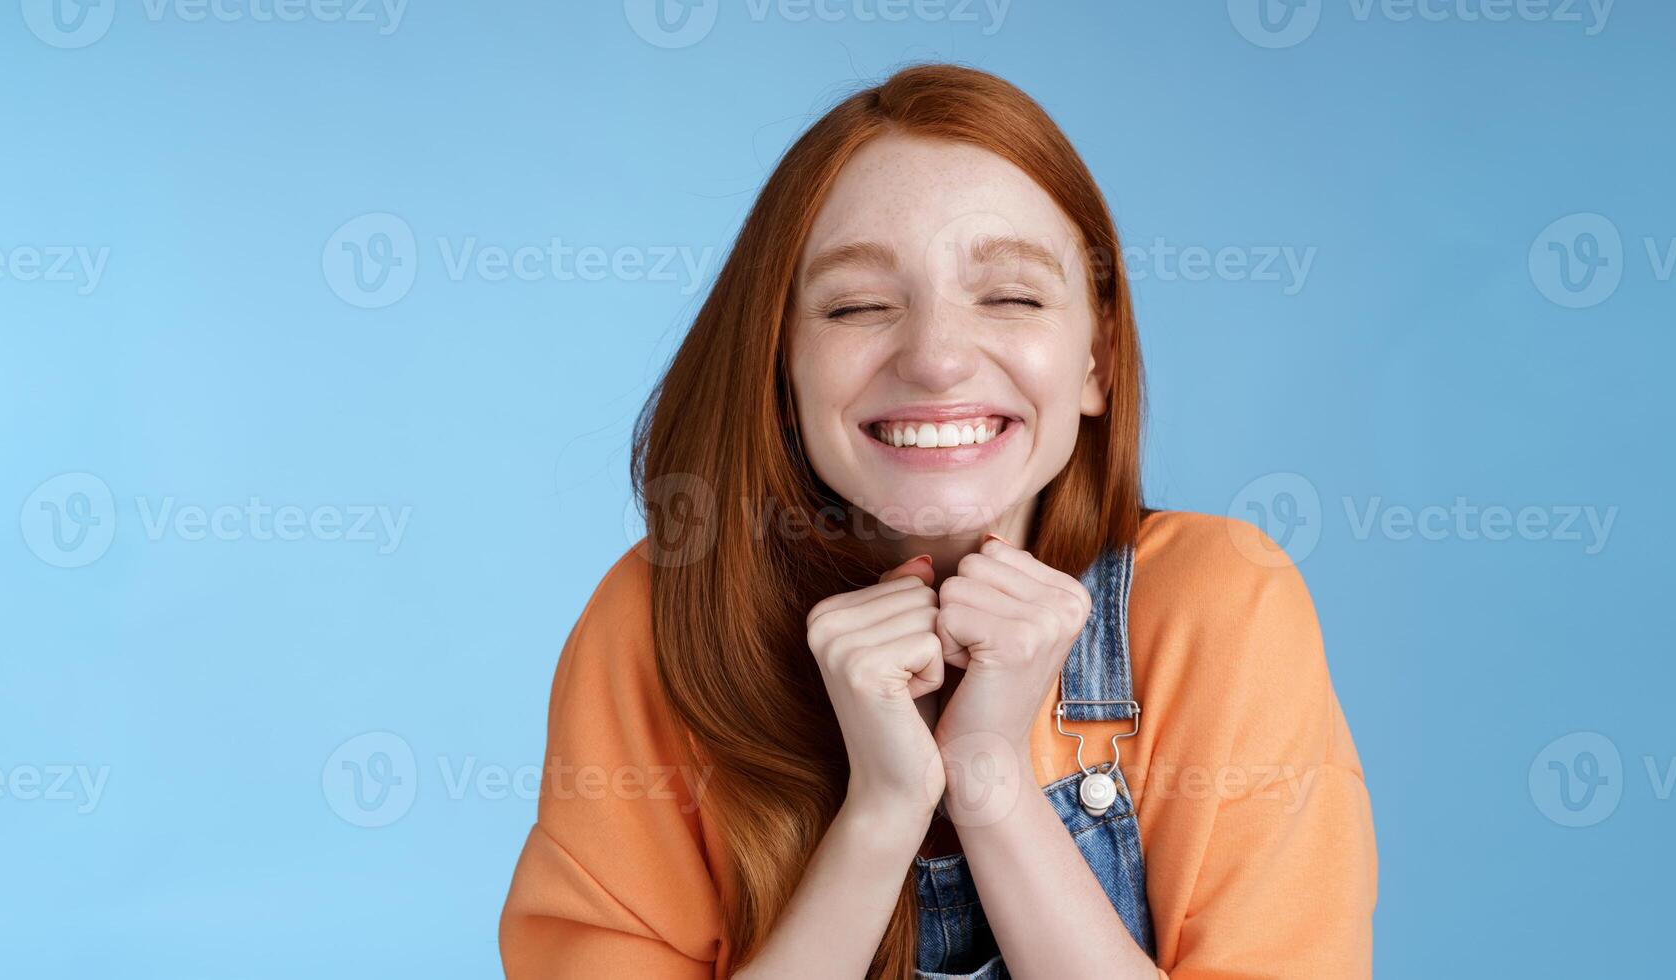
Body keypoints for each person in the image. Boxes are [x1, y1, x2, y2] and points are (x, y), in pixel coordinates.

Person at [499, 64, 1374, 979]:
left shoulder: (1221, 603)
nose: (938, 360)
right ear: (782, 374)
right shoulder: (660, 623)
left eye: (1012, 297)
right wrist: (883, 812)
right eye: (858, 306)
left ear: (1097, 360)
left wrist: (991, 781)